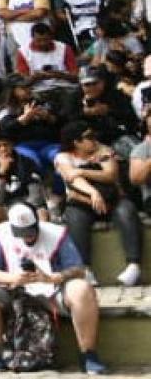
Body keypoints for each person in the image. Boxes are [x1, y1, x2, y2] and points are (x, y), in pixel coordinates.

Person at [0, 204, 107, 374]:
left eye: (30, 231)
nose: (27, 237)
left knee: (82, 289)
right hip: (14, 291)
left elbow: (78, 269)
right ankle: (3, 351)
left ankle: (88, 354)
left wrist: (53, 278)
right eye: (22, 233)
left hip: (52, 291)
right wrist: (12, 278)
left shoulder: (56, 233)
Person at [54, 121, 142, 286]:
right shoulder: (63, 157)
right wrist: (93, 193)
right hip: (81, 200)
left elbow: (110, 175)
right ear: (76, 142)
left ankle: (134, 265)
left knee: (127, 211)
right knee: (75, 218)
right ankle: (85, 269)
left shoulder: (103, 150)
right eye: (88, 137)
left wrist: (82, 170)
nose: (94, 139)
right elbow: (72, 179)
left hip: (112, 198)